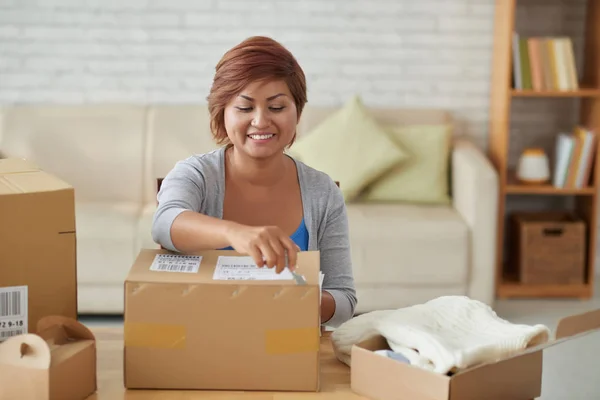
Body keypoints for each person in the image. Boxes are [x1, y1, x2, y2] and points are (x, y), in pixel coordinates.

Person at [151, 36, 356, 327]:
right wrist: (235, 234)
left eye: (276, 107)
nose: (260, 121)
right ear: (222, 113)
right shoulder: (196, 174)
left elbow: (344, 300)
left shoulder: (322, 193)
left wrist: (290, 301)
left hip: (285, 346)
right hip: (201, 343)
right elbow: (163, 224)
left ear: (297, 112)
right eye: (245, 108)